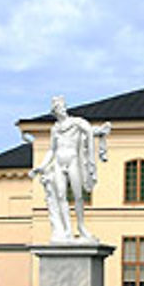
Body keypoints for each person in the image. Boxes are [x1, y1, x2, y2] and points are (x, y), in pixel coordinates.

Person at [29, 95, 111, 242]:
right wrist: (41, 167)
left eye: (62, 106)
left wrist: (100, 132)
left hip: (73, 160)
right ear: (54, 112)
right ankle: (67, 230)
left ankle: (81, 227)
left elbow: (89, 131)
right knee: (61, 197)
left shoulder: (76, 123)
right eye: (58, 108)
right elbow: (52, 150)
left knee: (78, 196)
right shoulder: (55, 129)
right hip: (59, 163)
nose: (62, 110)